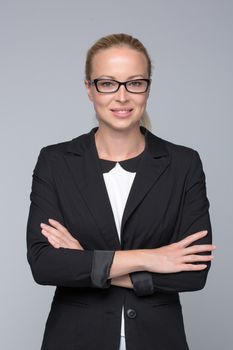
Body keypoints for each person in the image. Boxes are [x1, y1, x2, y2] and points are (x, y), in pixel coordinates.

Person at [26, 33, 216, 350]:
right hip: (75, 339)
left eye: (135, 83)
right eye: (108, 83)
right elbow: (45, 265)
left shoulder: (183, 164)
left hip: (159, 340)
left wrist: (87, 261)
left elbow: (193, 273)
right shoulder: (56, 162)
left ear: (148, 88)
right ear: (89, 89)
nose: (122, 96)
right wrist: (151, 258)